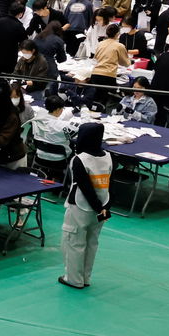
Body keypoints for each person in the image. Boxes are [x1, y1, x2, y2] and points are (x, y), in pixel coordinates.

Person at [58, 122, 112, 290]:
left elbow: (85, 187)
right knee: (91, 244)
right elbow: (111, 184)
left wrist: (97, 206)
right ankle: (85, 278)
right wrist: (104, 207)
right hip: (102, 207)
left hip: (80, 207)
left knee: (74, 243)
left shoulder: (79, 159)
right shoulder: (108, 156)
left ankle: (74, 279)